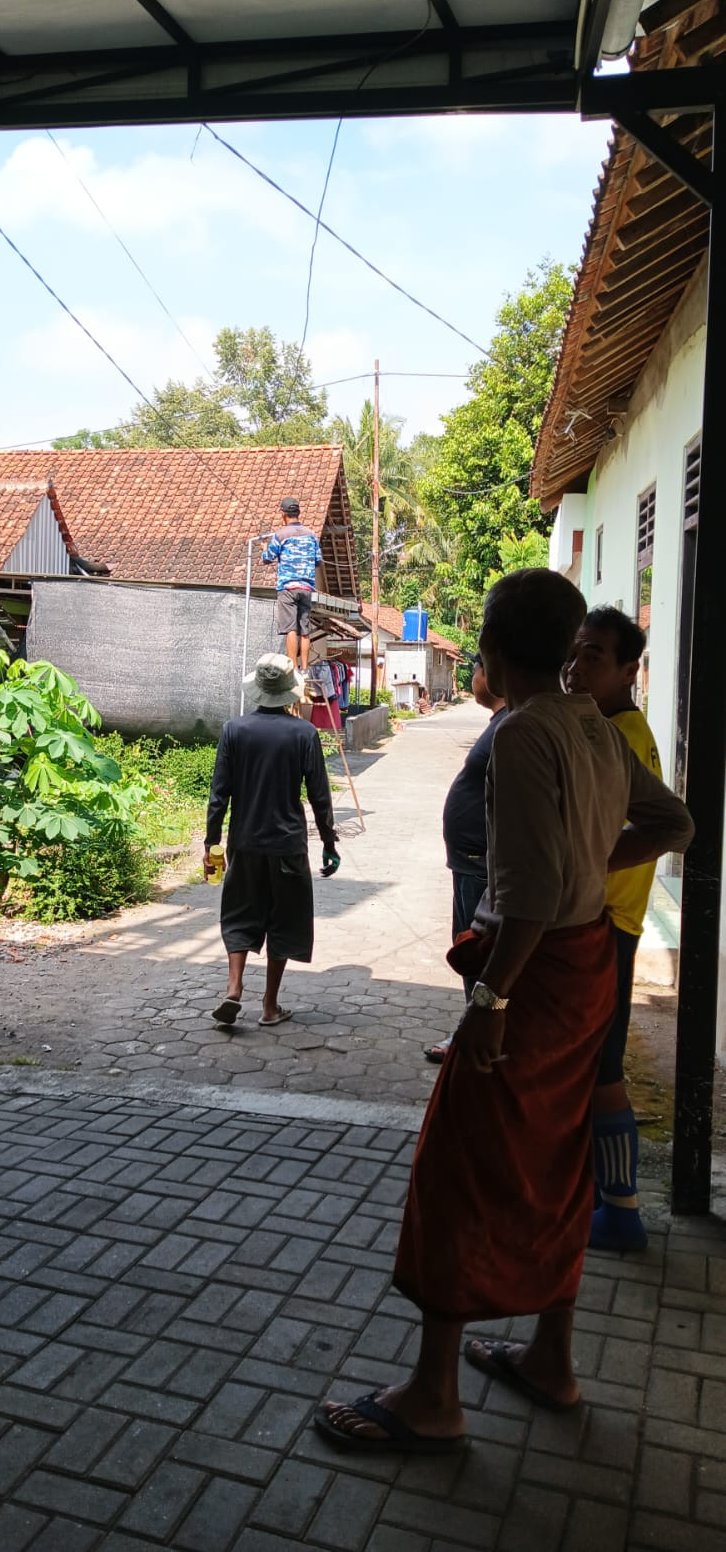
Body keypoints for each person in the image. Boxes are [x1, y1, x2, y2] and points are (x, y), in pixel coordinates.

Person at [314, 569, 692, 1456]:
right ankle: (551, 1358)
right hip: (586, 966)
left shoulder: (524, 733)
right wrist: (597, 864)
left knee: (461, 1168)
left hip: (533, 978)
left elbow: (522, 894)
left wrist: (489, 998)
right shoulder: (594, 728)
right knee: (558, 1160)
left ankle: (433, 1395)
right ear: (567, 650)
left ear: (484, 647)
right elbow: (673, 822)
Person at [566, 606, 660, 1253]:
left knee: (599, 1069)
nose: (576, 666)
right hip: (603, 922)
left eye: (594, 655)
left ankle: (620, 1209)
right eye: (574, 651)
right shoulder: (606, 727)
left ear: (630, 669)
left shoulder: (620, 737)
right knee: (596, 1066)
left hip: (605, 927)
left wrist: (581, 865)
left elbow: (652, 829)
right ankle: (607, 1199)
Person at [205, 653, 340, 1028]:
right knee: (282, 919)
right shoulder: (304, 734)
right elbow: (319, 796)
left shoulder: (234, 730)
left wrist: (210, 844)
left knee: (240, 914)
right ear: (288, 693)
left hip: (244, 843)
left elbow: (219, 794)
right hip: (287, 845)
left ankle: (233, 988)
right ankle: (269, 1005)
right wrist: (330, 842)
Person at [425, 653, 507, 1063]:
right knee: (472, 950)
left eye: (475, 669)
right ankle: (475, 1029)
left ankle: (478, 1033)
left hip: (481, 863)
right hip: (472, 860)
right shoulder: (501, 723)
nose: (472, 676)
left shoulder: (512, 725)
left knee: (478, 951)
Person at [261, 496, 323, 671]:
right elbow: (318, 561)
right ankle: (304, 668)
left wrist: (264, 549)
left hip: (288, 588)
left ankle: (293, 668)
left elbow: (267, 559)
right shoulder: (311, 535)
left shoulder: (280, 535)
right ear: (298, 513)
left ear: (283, 514)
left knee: (290, 629)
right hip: (306, 587)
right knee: (305, 629)